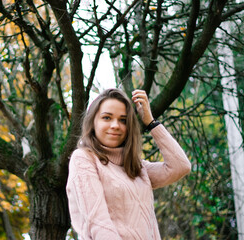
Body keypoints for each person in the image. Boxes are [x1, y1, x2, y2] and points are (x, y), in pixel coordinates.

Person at [66, 88, 191, 239]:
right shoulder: (84, 159)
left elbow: (180, 166)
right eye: (107, 118)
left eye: (123, 120)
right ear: (93, 122)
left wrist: (150, 122)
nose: (115, 125)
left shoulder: (137, 167)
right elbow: (99, 225)